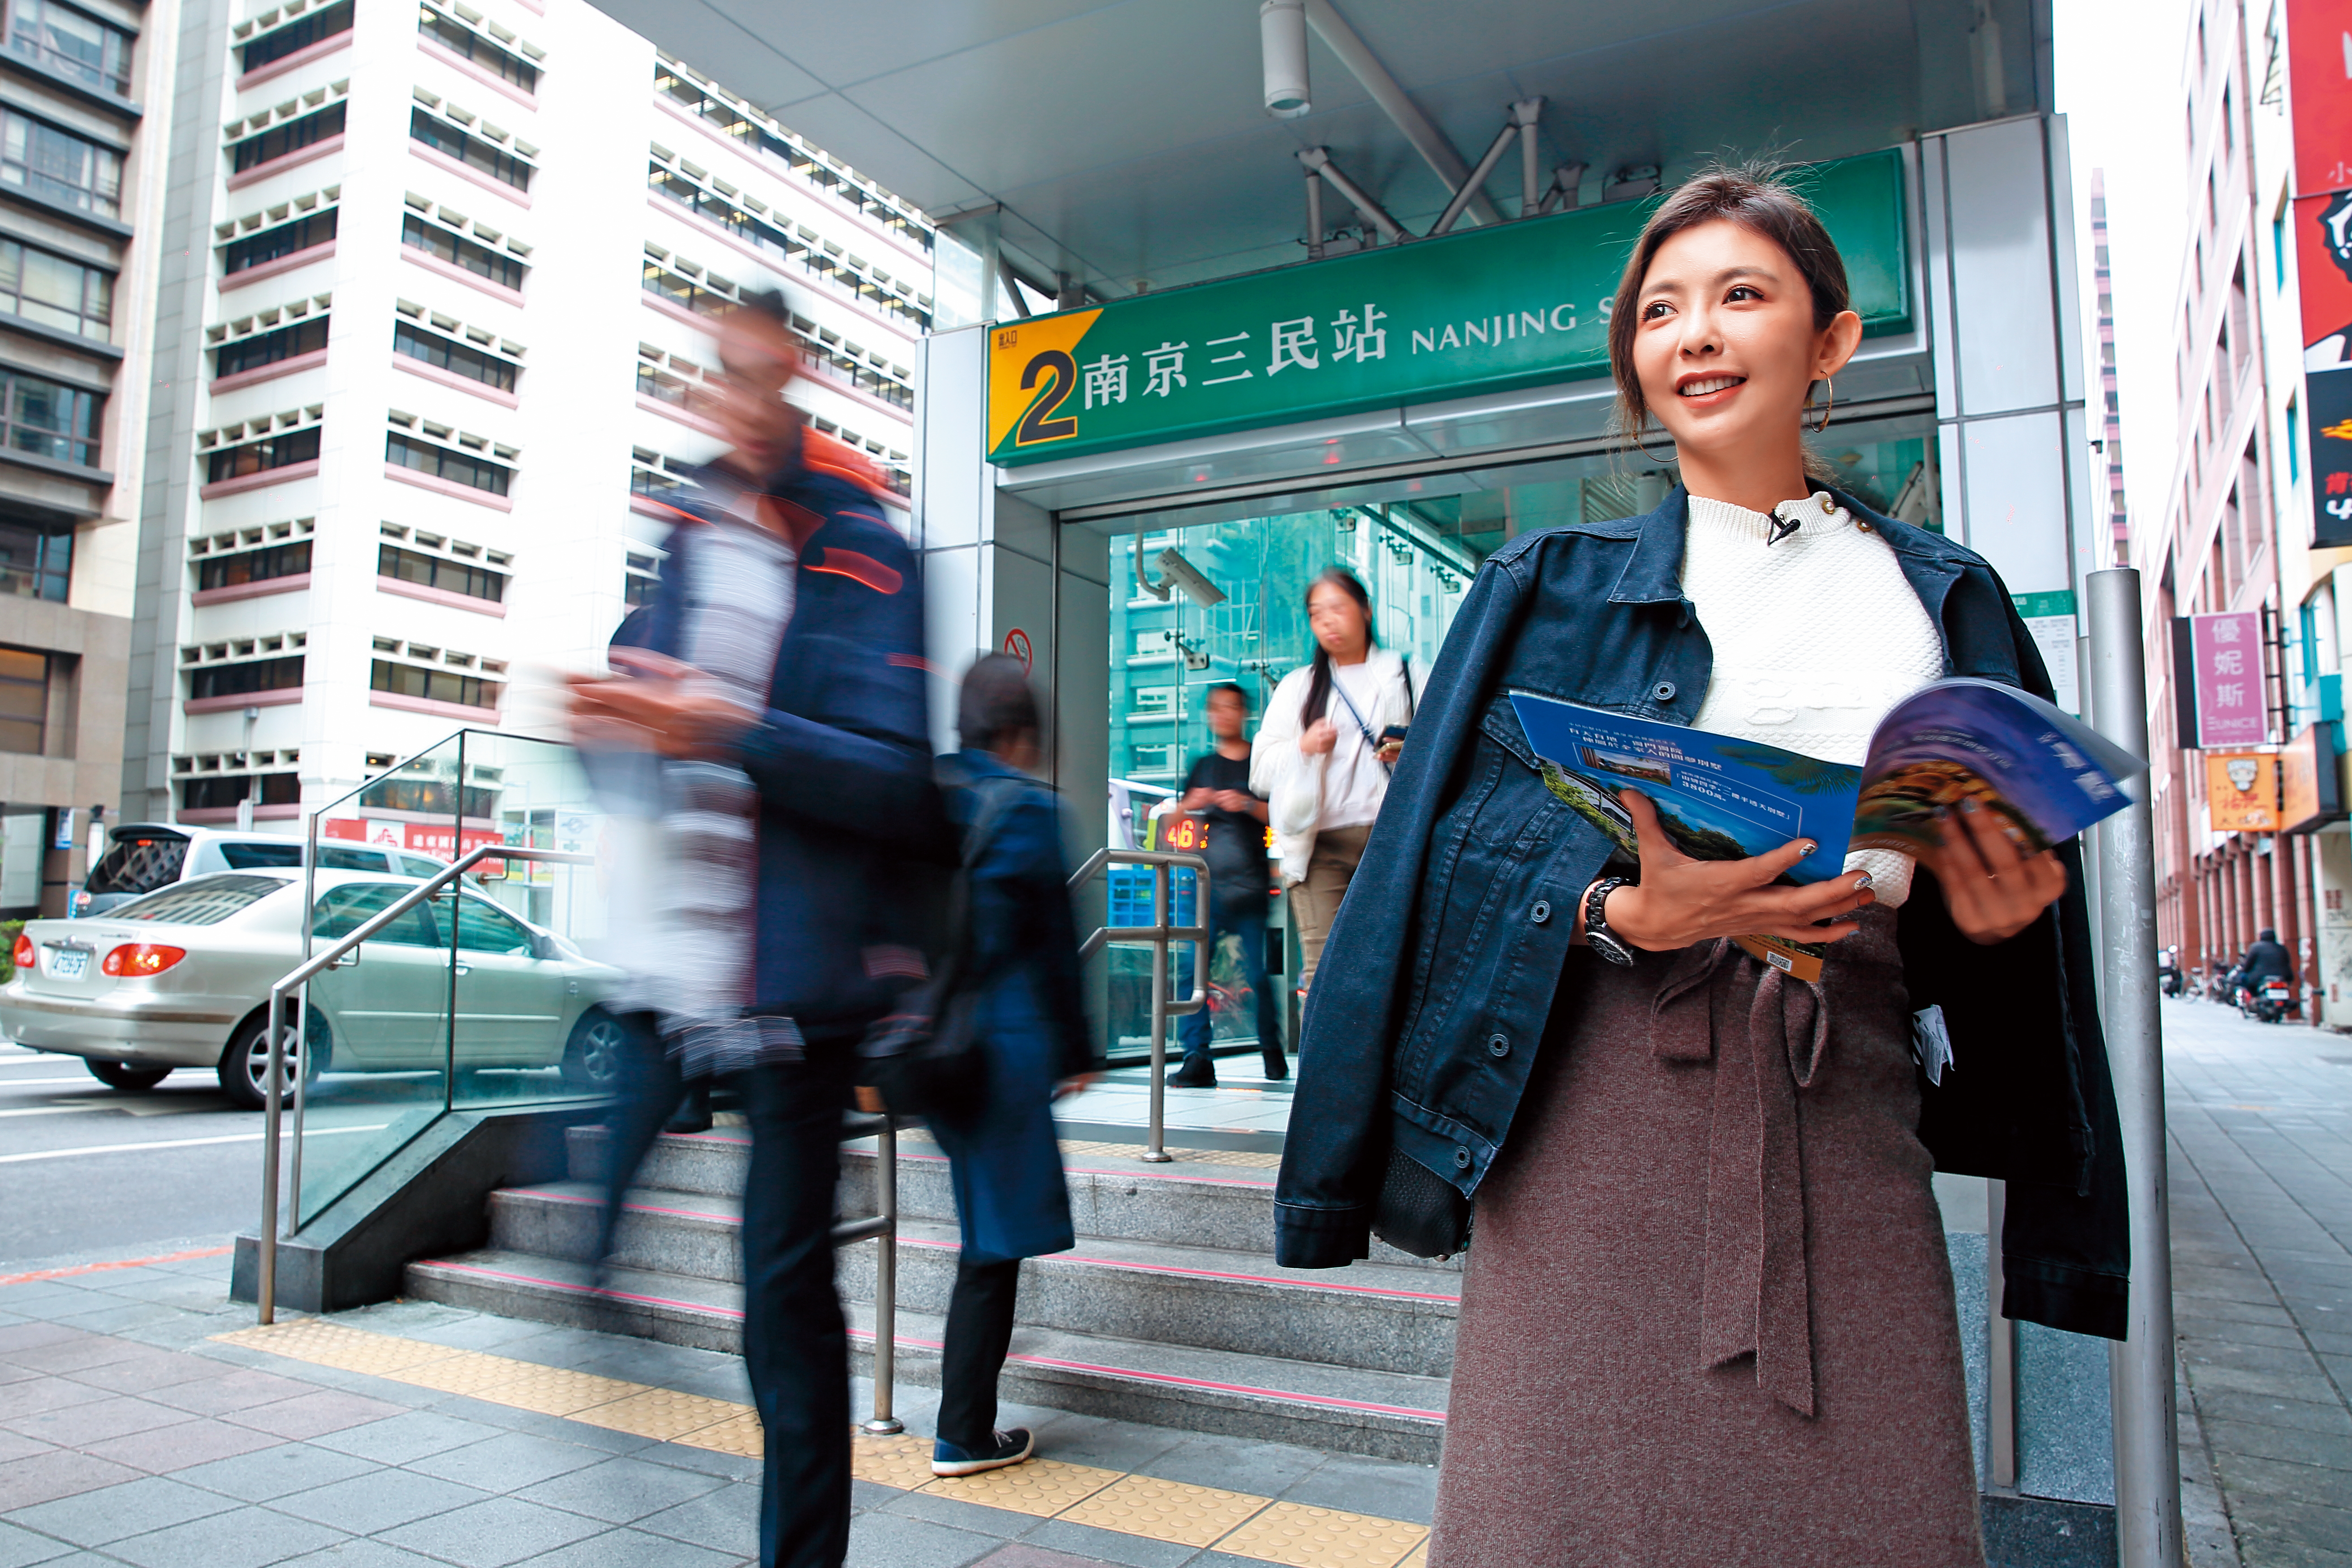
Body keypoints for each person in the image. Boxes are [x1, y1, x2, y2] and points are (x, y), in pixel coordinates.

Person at [1273, 165, 2128, 1568]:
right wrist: (1617, 907)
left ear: (1830, 340)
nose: (1696, 334)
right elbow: (1427, 876)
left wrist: (1997, 903)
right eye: (1661, 309)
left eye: (1741, 294)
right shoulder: (1543, 587)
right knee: (1560, 1524)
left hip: (1843, 1112)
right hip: (1589, 1128)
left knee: (1880, 1521)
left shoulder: (1941, 595)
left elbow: (1994, 920)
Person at [567, 287, 935, 1568]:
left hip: (799, 977)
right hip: (676, 969)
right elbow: (638, 739)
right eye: (712, 371)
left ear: (791, 372)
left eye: (752, 368)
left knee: (782, 1296)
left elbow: (897, 781)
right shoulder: (683, 536)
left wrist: (730, 727)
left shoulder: (862, 546)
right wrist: (607, 727)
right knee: (690, 1275)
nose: (728, 393)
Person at [923, 654, 1101, 1476]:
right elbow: (1056, 945)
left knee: (984, 1233)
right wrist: (1075, 1050)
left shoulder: (926, 792)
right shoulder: (1028, 808)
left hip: (932, 1048)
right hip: (999, 1048)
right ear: (1022, 732)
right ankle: (962, 1430)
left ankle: (964, 1422)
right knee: (992, 1246)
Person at [1252, 570, 1413, 995]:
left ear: (1365, 610)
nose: (1327, 621)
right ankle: (1325, 1044)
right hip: (1318, 847)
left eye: (1337, 608)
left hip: (1391, 843)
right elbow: (1260, 771)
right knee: (1324, 978)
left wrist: (1409, 752)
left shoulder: (1408, 674)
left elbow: (1451, 748)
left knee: (1394, 972)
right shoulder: (1298, 687)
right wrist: (1302, 747)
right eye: (1315, 613)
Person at [1168, 682, 1282, 1087]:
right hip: (1207, 890)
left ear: (1244, 712)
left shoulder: (1259, 762)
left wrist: (1246, 803)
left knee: (1257, 974)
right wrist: (1189, 805)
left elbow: (1282, 814)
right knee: (1190, 971)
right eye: (1215, 708)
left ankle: (1272, 1050)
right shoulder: (1202, 766)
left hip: (1250, 889)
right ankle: (1197, 1057)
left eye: (1230, 707)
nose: (1222, 714)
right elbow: (1172, 824)